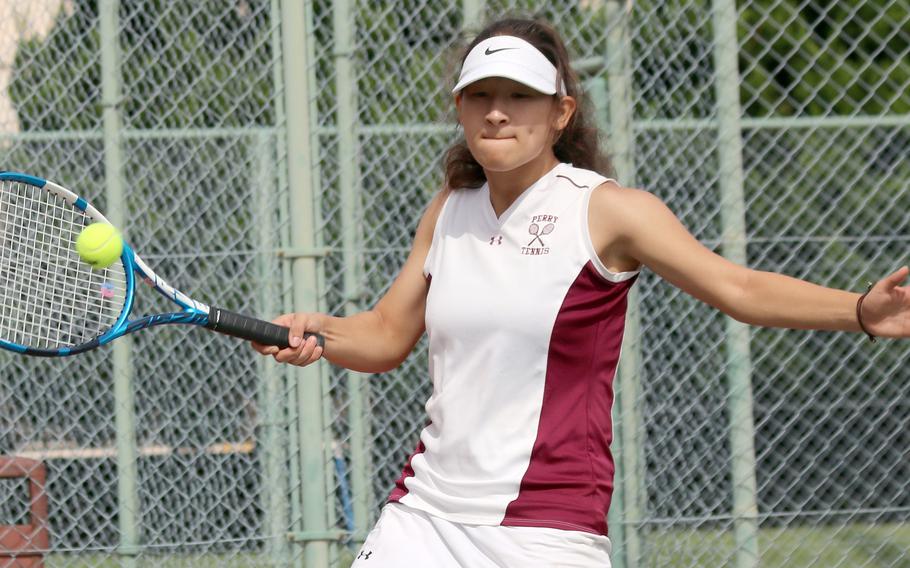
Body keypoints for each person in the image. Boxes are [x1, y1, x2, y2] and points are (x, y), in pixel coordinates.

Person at [252, 16, 910, 568]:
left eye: (521, 95)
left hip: (547, 526)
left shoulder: (607, 211)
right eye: (481, 95)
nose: (499, 111)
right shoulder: (448, 210)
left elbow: (736, 287)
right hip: (423, 518)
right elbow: (387, 335)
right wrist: (322, 331)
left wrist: (858, 311)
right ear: (460, 108)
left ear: (561, 111)